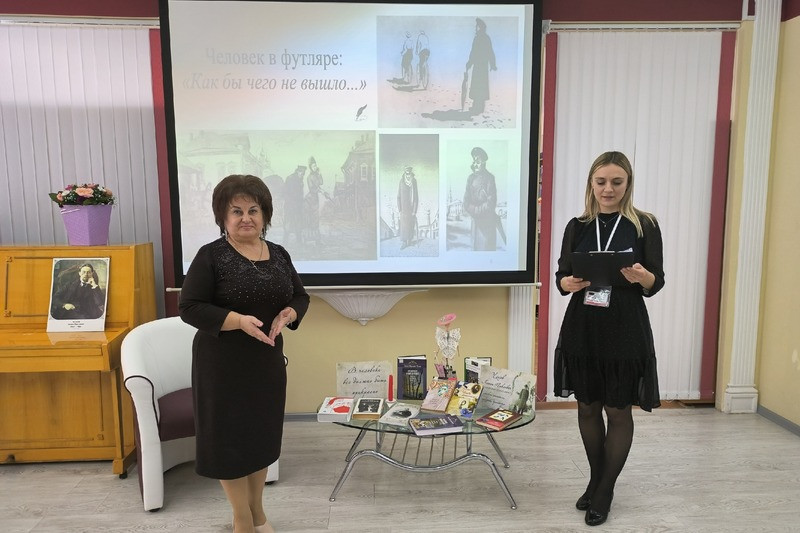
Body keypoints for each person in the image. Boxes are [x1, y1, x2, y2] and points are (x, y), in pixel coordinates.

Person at [179, 174, 310, 533]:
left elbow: (300, 295)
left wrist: (290, 313)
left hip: (266, 363)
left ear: (265, 214)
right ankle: (241, 519)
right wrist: (236, 320)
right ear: (222, 217)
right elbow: (189, 307)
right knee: (230, 444)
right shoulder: (211, 256)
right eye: (236, 211)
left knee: (260, 440)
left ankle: (258, 512)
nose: (246, 218)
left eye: (253, 210)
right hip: (222, 366)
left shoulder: (278, 254)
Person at [553, 151, 664, 527]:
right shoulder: (577, 226)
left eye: (617, 182)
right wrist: (567, 282)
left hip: (625, 326)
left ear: (628, 183)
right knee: (587, 407)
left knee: (617, 411)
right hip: (583, 326)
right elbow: (562, 275)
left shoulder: (644, 224)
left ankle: (604, 491)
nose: (608, 189)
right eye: (601, 182)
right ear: (591, 183)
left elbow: (657, 280)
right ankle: (596, 479)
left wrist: (643, 277)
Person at [462, 147, 497, 251]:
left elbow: (491, 203)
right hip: (475, 223)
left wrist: (477, 211)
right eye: (474, 161)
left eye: (478, 161)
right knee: (474, 249)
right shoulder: (470, 178)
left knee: (486, 250)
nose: (475, 164)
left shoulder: (490, 178)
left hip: (487, 224)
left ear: (484, 162)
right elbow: (466, 201)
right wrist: (474, 211)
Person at [464, 18, 496, 115]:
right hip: (482, 66)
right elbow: (490, 52)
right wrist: (492, 64)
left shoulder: (479, 38)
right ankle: (478, 107)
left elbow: (474, 52)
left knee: (478, 85)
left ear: (480, 27)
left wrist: (469, 63)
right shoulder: (485, 38)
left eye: (477, 27)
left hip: (479, 66)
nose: (476, 28)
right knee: (480, 85)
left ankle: (478, 107)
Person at [396, 165, 418, 249]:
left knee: (411, 224)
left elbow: (416, 196)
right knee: (404, 225)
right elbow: (398, 196)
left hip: (411, 208)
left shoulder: (414, 181)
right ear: (405, 172)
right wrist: (399, 209)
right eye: (406, 172)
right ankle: (404, 242)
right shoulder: (401, 182)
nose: (408, 174)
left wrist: (414, 210)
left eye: (409, 172)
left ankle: (410, 241)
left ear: (411, 172)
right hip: (403, 209)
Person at [283, 165, 306, 244]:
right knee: (288, 222)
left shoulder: (300, 179)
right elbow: (286, 192)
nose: (303, 175)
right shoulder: (290, 178)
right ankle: (285, 242)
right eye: (302, 173)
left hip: (298, 206)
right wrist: (291, 202)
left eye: (304, 174)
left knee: (298, 223)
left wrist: (301, 202)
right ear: (298, 171)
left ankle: (299, 241)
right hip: (290, 205)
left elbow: (300, 193)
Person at [304, 157, 323, 244]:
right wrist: (319, 191)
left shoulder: (316, 175)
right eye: (313, 166)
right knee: (311, 218)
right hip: (310, 199)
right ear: (310, 167)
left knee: (316, 218)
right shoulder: (309, 177)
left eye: (315, 165)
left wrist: (319, 174)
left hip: (315, 199)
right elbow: (312, 189)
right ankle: (309, 239)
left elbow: (321, 182)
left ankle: (316, 239)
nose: (315, 167)